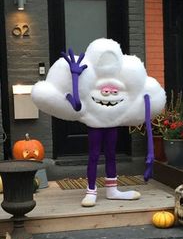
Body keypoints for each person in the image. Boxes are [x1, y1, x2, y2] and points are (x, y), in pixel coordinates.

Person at [32, 38, 166, 207]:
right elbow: (77, 104)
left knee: (111, 155)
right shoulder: (89, 77)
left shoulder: (125, 75)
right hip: (95, 124)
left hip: (111, 124)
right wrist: (75, 76)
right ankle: (91, 190)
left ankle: (112, 189)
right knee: (94, 156)